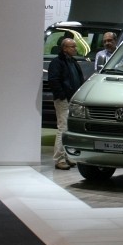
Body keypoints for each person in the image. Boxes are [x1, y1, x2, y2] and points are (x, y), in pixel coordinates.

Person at [47, 37, 83, 170]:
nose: (75, 49)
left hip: (73, 100)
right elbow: (53, 80)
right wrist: (62, 95)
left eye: (75, 46)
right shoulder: (57, 62)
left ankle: (68, 156)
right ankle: (59, 159)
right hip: (64, 100)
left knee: (70, 129)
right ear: (64, 48)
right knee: (63, 128)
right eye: (72, 46)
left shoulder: (73, 62)